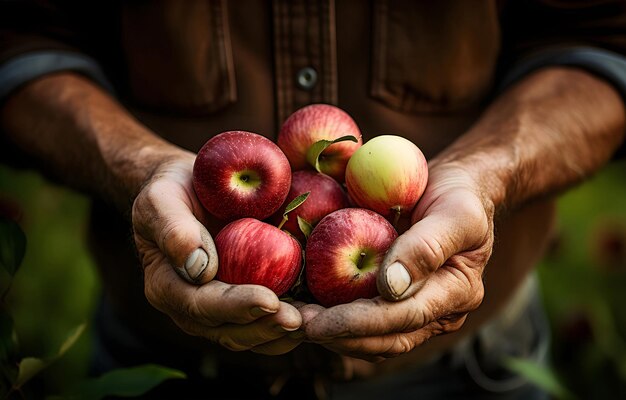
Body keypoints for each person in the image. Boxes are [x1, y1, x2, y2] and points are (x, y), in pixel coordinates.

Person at [1, 1, 625, 398]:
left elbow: (600, 39)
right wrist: (137, 166)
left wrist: (484, 175)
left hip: (472, 366)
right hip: (163, 357)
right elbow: (22, 39)